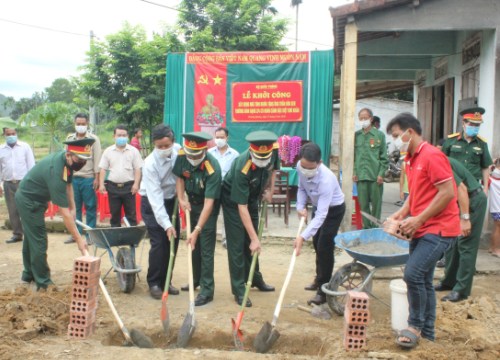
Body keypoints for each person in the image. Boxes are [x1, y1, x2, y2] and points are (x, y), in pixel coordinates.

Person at [386, 112, 460, 348]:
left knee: (413, 274)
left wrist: (417, 220)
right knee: (424, 280)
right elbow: (416, 193)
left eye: (397, 135)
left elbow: (448, 192)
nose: (396, 140)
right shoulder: (410, 158)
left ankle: (414, 324)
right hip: (421, 227)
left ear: (411, 132)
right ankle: (427, 332)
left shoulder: (432, 156)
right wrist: (403, 213)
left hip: (439, 228)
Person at [15, 138, 95, 290]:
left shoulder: (66, 163)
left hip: (36, 199)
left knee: (31, 238)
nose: (82, 163)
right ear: (68, 155)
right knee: (39, 240)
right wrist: (78, 238)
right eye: (79, 159)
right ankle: (44, 283)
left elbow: (69, 184)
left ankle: (28, 274)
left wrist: (74, 208)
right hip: (28, 201)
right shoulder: (57, 171)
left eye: (85, 160)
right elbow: (63, 213)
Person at [221, 130, 278, 307]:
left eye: (265, 157)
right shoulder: (242, 165)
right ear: (251, 151)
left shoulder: (272, 151)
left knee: (252, 242)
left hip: (253, 197)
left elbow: (273, 169)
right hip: (234, 202)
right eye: (258, 158)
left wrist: (271, 189)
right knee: (238, 243)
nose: (262, 161)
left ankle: (255, 279)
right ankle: (239, 289)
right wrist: (254, 239)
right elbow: (241, 207)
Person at [293, 143, 345, 305]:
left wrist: (302, 236)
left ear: (319, 163)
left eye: (310, 167)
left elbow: (322, 215)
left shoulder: (327, 180)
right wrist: (300, 207)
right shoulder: (300, 167)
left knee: (324, 246)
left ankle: (324, 290)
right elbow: (301, 188)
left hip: (333, 210)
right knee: (316, 242)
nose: (306, 170)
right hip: (318, 206)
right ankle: (319, 278)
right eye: (303, 166)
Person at [173, 131, 222, 306]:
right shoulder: (182, 155)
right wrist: (181, 198)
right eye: (189, 153)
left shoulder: (212, 167)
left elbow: (209, 203)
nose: (191, 157)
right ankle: (195, 280)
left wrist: (197, 229)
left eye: (196, 154)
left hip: (206, 207)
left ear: (204, 151)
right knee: (193, 246)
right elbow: (180, 177)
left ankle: (207, 290)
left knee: (205, 247)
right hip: (191, 204)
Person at [434, 157, 487, 302]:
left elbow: (461, 189)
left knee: (466, 244)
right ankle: (449, 281)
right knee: (452, 244)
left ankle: (462, 290)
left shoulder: (437, 162)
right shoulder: (434, 160)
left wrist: (465, 218)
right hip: (458, 202)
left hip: (472, 200)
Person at [139, 124, 180, 299]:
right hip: (151, 204)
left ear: (173, 142)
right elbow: (155, 199)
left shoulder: (179, 151)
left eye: (166, 145)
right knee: (159, 243)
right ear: (154, 145)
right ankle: (154, 283)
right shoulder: (149, 164)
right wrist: (166, 224)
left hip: (172, 201)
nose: (163, 149)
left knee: (173, 242)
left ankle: (166, 281)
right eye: (159, 146)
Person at [64, 113, 102, 244]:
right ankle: (77, 234)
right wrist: (66, 178)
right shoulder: (70, 139)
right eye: (78, 124)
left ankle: (91, 235)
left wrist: (96, 178)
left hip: (88, 178)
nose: (81, 126)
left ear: (87, 124)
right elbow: (66, 158)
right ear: (75, 124)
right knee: (75, 207)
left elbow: (97, 159)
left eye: (83, 124)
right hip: (73, 178)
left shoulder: (93, 140)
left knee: (91, 206)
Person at [99, 125, 143, 227]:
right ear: (114, 136)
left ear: (127, 136)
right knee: (114, 215)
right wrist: (101, 184)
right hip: (112, 187)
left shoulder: (133, 151)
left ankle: (132, 241)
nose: (121, 137)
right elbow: (103, 168)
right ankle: (116, 238)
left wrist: (136, 184)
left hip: (129, 187)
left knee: (131, 215)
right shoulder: (108, 151)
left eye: (124, 135)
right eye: (119, 135)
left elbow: (137, 169)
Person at [441, 107, 493, 193]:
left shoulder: (482, 143)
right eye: (471, 124)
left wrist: (485, 188)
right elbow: (441, 162)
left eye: (477, 125)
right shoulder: (451, 140)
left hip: (473, 187)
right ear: (463, 123)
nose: (474, 127)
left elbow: (485, 167)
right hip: (454, 185)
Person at [353, 108, 388, 228]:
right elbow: (353, 157)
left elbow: (384, 158)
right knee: (363, 205)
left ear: (371, 119)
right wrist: (354, 171)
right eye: (361, 118)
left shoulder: (379, 136)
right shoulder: (356, 136)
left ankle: (375, 228)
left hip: (375, 177)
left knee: (376, 206)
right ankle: (366, 228)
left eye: (365, 118)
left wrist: (381, 174)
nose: (363, 120)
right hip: (361, 176)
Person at [0, 127, 36, 244]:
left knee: (26, 209)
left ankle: (30, 234)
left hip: (23, 183)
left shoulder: (24, 147)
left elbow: (31, 166)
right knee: (12, 210)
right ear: (4, 135)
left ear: (17, 134)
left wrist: (31, 184)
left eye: (13, 133)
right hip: (8, 183)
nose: (11, 136)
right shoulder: (1, 149)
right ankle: (17, 234)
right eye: (8, 134)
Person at [207, 127, 239, 248]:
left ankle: (226, 239)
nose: (219, 140)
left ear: (227, 138)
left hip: (228, 188)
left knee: (228, 214)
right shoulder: (209, 153)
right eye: (217, 137)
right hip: (213, 188)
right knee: (211, 213)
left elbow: (236, 173)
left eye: (222, 137)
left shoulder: (235, 154)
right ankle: (211, 238)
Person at [488, 158, 500, 256]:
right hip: (497, 206)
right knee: (498, 228)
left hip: (495, 206)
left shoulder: (492, 174)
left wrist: (492, 163)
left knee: (496, 227)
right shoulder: (495, 175)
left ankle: (492, 248)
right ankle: (496, 249)